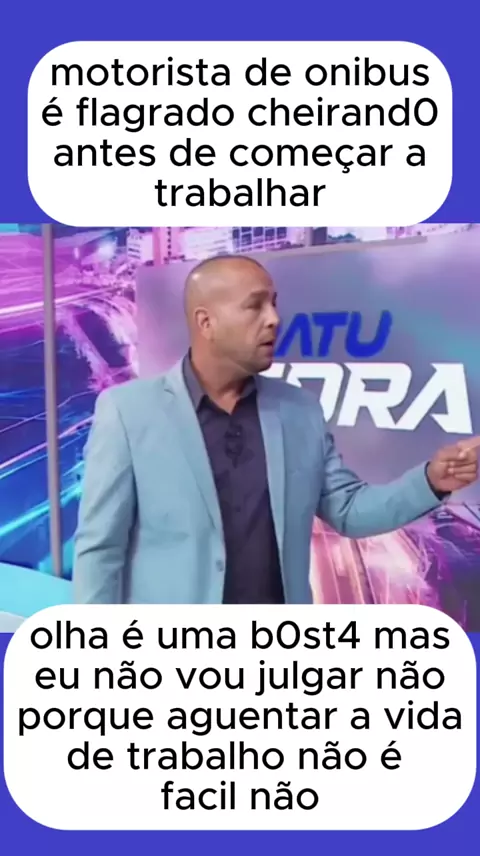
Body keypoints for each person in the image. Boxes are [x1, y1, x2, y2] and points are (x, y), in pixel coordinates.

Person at [73, 255, 479, 605]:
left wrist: (431, 481)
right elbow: (100, 549)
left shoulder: (300, 411)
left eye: (274, 303)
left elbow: (350, 512)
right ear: (206, 322)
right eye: (255, 306)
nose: (274, 319)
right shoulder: (127, 412)